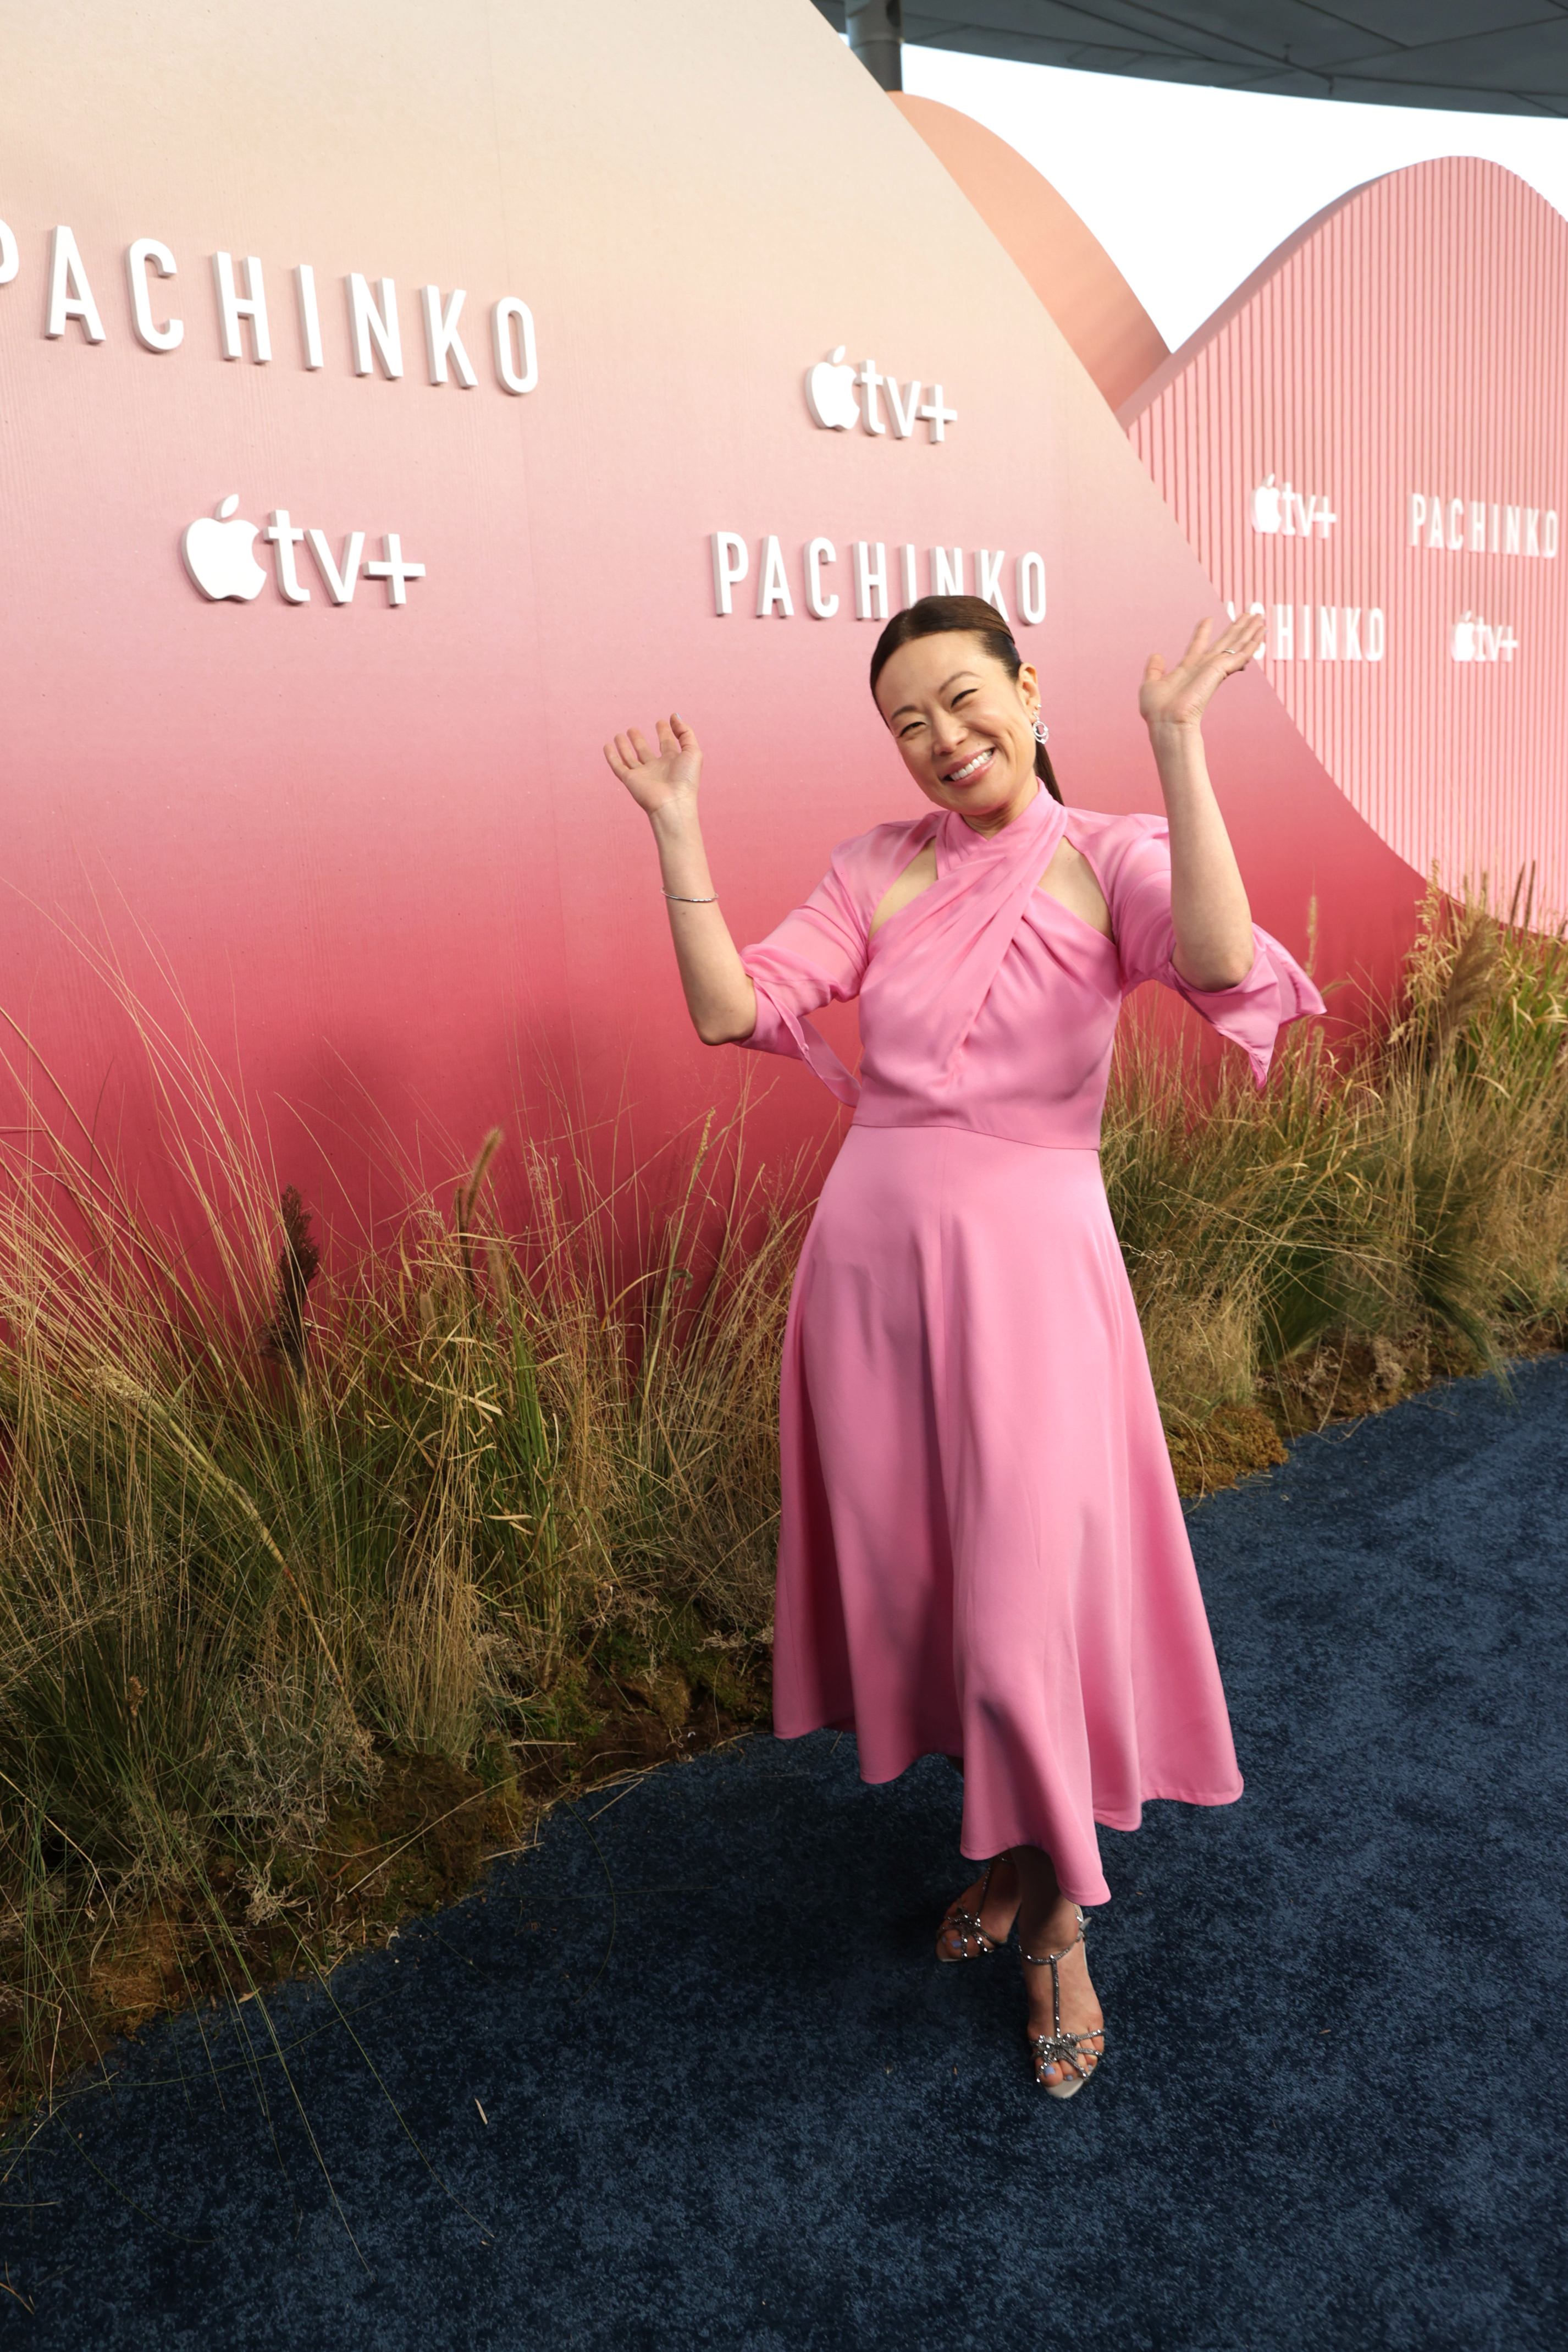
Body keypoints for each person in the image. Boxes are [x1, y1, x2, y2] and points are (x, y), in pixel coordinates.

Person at [604, 594, 1322, 2097]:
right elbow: (734, 1007)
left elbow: (1210, 951)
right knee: (933, 1605)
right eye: (906, 722)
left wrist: (1178, 744)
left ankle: (1060, 1917)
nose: (941, 739)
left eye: (961, 699)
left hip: (1032, 1286)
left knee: (1017, 1614)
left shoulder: (1110, 853)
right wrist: (675, 828)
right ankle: (1004, 1845)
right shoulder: (871, 867)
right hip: (869, 1281)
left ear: (1025, 687)